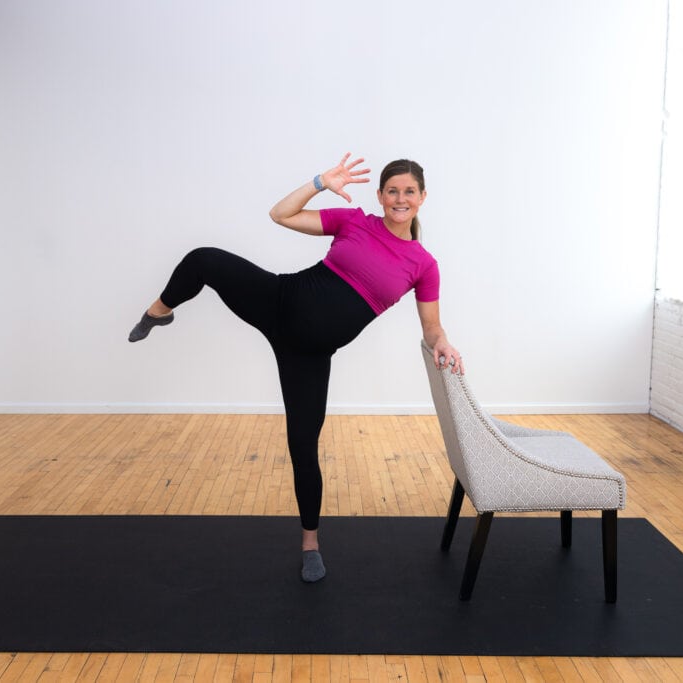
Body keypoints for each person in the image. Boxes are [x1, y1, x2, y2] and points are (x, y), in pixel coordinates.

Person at [128, 153, 464, 582]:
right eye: (392, 190)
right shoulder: (354, 221)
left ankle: (310, 544)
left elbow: (431, 328)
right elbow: (280, 214)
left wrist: (444, 342)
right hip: (279, 301)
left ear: (422, 198)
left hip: (308, 356)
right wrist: (320, 181)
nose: (400, 198)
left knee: (303, 448)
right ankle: (159, 312)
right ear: (380, 196)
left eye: (409, 192)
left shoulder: (423, 265)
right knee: (203, 259)